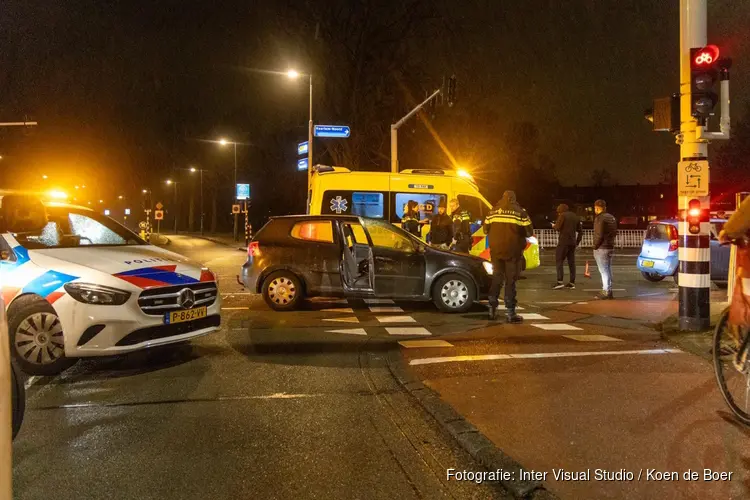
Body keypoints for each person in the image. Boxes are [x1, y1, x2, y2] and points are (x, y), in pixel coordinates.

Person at [483, 191, 533, 322]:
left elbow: (485, 229)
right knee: (511, 281)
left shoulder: (493, 211)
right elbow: (529, 232)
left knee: (497, 278)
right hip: (513, 251)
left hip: (496, 251)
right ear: (514, 199)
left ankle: (492, 308)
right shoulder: (520, 212)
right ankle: (510, 313)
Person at [552, 203, 583, 289]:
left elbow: (557, 228)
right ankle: (572, 282)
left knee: (559, 261)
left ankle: (559, 282)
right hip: (572, 243)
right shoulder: (575, 216)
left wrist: (554, 226)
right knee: (571, 263)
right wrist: (577, 242)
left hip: (563, 242)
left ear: (560, 211)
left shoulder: (562, 216)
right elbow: (580, 231)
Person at [592, 199, 617, 300]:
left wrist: (595, 246)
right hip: (610, 246)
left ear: (597, 208)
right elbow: (614, 232)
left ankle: (606, 290)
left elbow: (599, 234)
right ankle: (608, 290)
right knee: (607, 269)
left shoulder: (599, 218)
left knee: (603, 270)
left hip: (602, 247)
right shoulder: (612, 217)